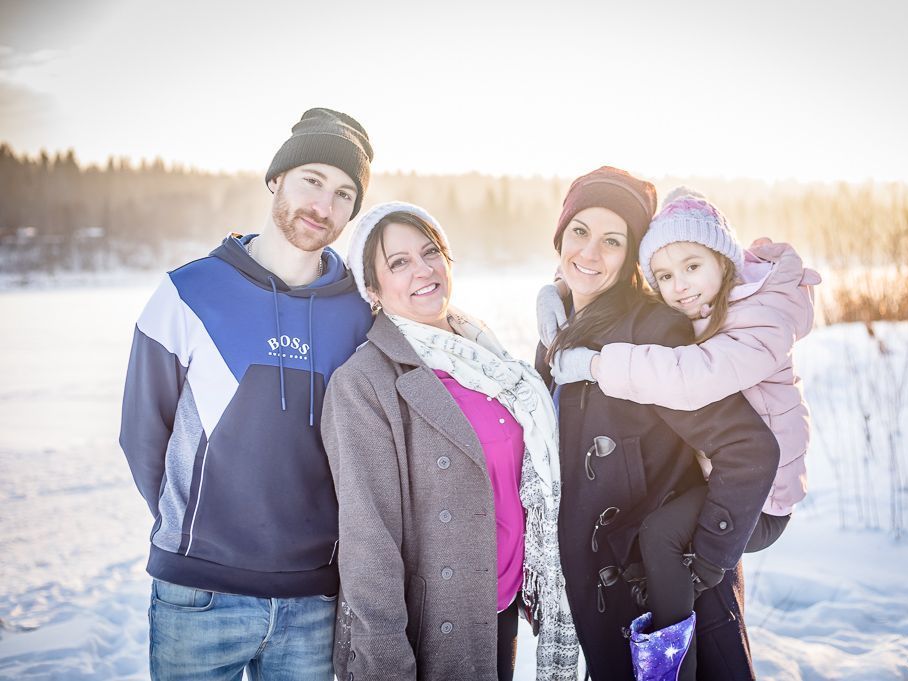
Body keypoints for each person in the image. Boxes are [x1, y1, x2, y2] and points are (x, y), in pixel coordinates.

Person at [119, 107, 374, 680]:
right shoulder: (189, 293)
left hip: (314, 601)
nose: (323, 206)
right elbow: (142, 433)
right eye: (312, 180)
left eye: (343, 194)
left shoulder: (360, 313)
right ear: (275, 179)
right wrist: (202, 537)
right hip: (199, 595)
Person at [537, 167, 780, 680]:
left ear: (631, 258)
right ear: (559, 237)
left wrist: (701, 567)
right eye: (579, 231)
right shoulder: (557, 335)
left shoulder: (654, 333)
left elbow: (747, 449)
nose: (589, 252)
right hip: (601, 608)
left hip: (673, 619)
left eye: (613, 240)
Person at [321, 201, 579, 681]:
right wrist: (385, 668)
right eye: (399, 263)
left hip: (499, 604)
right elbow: (368, 543)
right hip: (432, 624)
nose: (423, 270)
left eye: (430, 252)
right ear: (372, 290)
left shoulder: (486, 359)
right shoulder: (364, 383)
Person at [549, 189, 821, 557]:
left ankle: (678, 618)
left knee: (664, 542)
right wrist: (557, 291)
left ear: (724, 262)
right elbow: (596, 274)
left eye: (692, 267)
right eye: (664, 276)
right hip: (726, 485)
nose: (679, 285)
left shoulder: (760, 324)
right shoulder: (704, 308)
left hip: (761, 501)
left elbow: (689, 377)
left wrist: (595, 365)